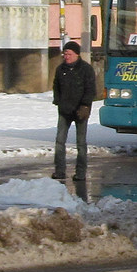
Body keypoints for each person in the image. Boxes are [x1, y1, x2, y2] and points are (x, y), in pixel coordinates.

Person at [52, 40, 95, 181]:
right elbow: (56, 86)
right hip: (64, 110)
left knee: (81, 143)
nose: (66, 57)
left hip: (81, 111)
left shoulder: (86, 69)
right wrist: (58, 101)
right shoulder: (60, 69)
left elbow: (91, 89)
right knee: (59, 141)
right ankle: (59, 171)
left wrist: (85, 105)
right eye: (65, 54)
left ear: (77, 54)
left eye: (69, 54)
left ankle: (81, 173)